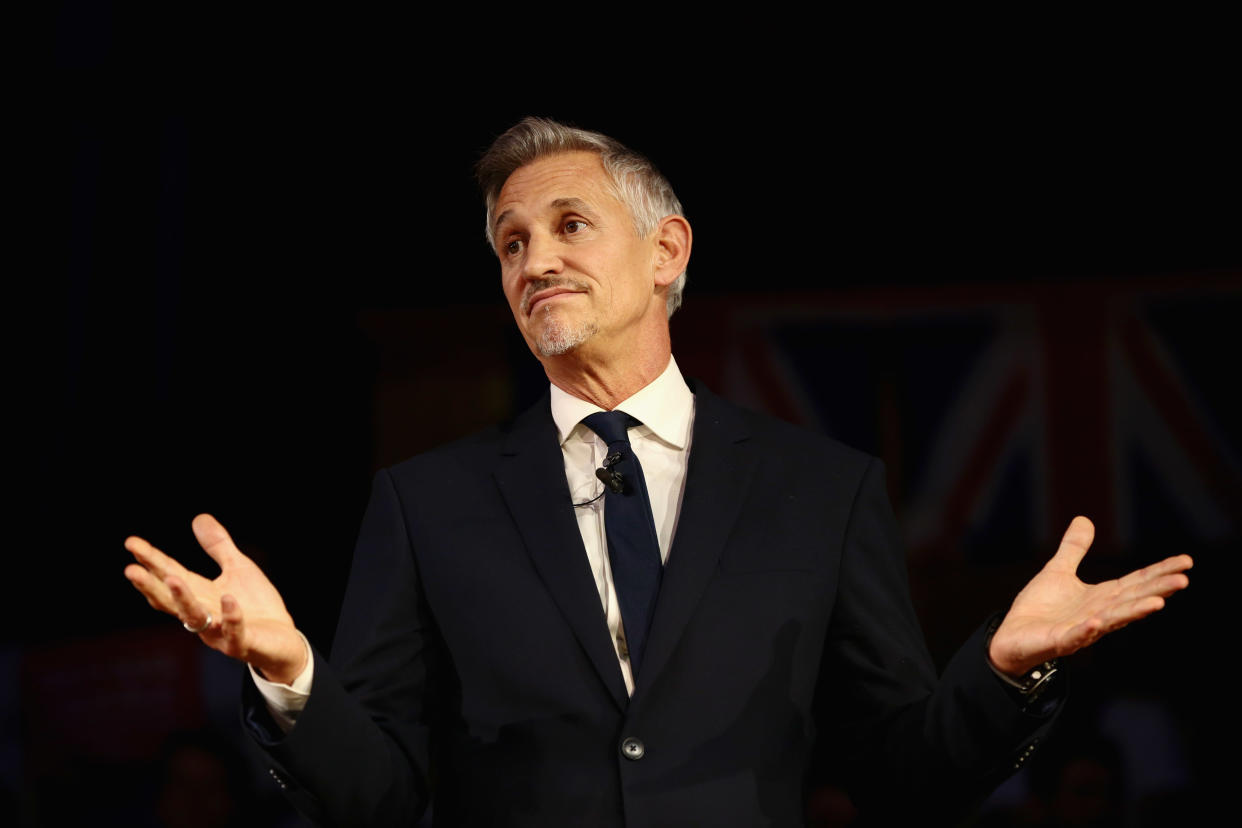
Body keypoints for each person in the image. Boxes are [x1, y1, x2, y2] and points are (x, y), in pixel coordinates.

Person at [124, 117, 1193, 827]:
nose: (534, 260)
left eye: (569, 225)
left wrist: (1002, 671)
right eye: (509, 243)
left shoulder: (819, 491)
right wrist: (289, 675)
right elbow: (381, 798)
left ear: (667, 251)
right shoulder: (427, 504)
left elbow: (902, 777)